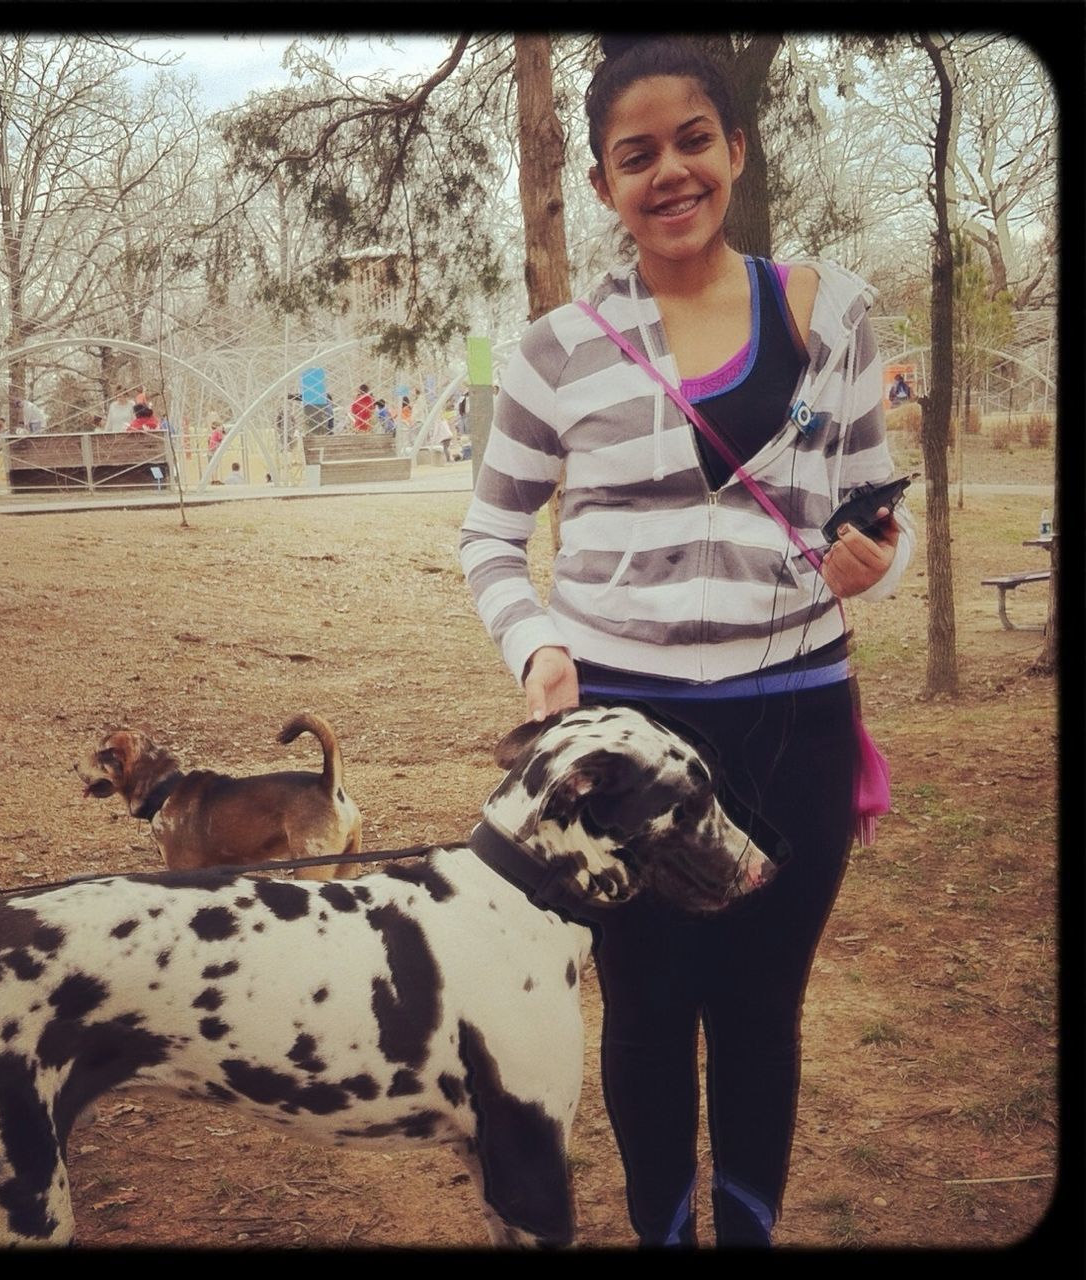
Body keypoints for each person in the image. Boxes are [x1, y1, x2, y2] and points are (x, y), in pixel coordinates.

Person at [459, 36, 915, 1249]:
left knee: (764, 1008)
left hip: (795, 721)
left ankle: (747, 1233)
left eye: (691, 142)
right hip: (624, 739)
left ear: (734, 150)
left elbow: (877, 505)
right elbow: (490, 540)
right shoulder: (555, 350)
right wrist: (537, 651)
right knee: (647, 1010)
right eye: (634, 154)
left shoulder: (829, 311)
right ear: (604, 183)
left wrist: (882, 554)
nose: (668, 172)